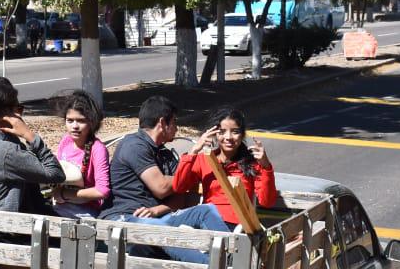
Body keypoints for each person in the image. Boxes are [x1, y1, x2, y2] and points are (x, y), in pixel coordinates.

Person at [102, 96, 223, 233]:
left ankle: (231, 253)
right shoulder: (134, 145)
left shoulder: (165, 154)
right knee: (164, 231)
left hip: (157, 220)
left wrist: (156, 210)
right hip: (125, 219)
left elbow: (181, 197)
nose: (177, 128)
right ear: (162, 123)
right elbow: (161, 187)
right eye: (174, 122)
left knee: (207, 210)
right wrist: (191, 160)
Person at [0, 75, 64, 213]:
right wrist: (30, 136)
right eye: (18, 109)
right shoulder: (6, 151)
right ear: (7, 114)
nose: (20, 116)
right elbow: (56, 174)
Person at [170, 107, 277, 229]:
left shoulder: (252, 163)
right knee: (158, 224)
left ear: (242, 135)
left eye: (235, 132)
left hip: (236, 227)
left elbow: (267, 201)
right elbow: (179, 187)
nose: (228, 137)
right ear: (214, 134)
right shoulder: (204, 159)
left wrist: (266, 166)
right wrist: (193, 151)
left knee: (201, 214)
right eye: (222, 132)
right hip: (205, 221)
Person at [52, 90, 110, 218]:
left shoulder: (98, 149)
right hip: (61, 206)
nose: (75, 126)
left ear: (92, 122)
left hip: (86, 211)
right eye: (70, 120)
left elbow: (102, 190)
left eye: (81, 121)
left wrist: (65, 194)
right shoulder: (65, 141)